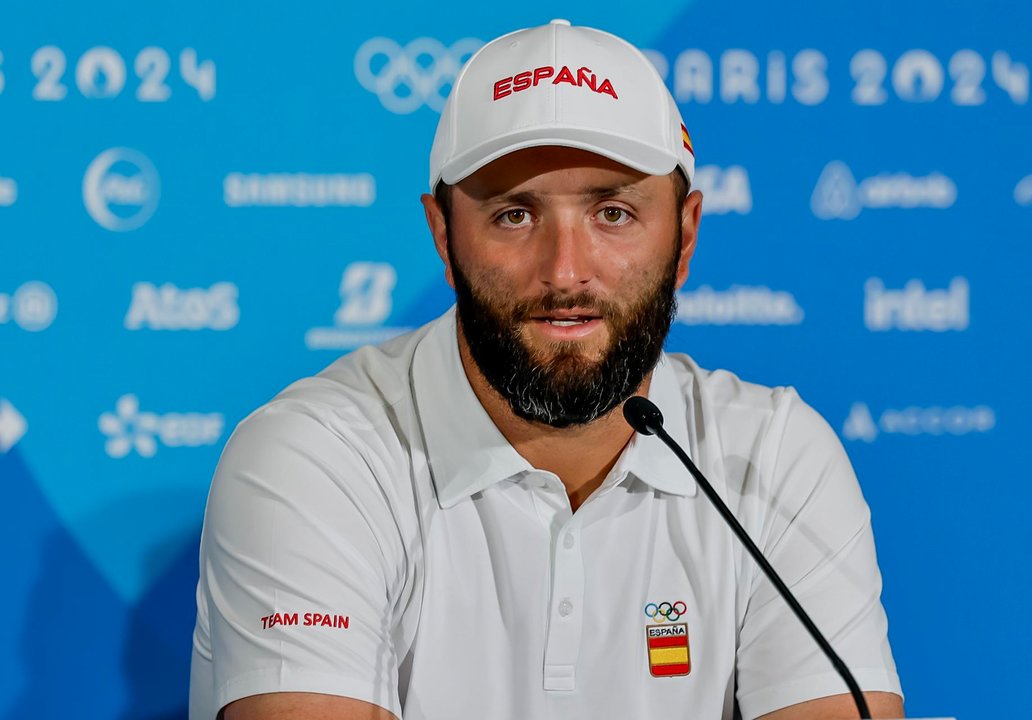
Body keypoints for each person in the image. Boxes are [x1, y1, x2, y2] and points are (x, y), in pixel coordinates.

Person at [189, 19, 905, 720]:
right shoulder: (318, 455)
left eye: (615, 213)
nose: (565, 271)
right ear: (443, 236)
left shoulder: (772, 457)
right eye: (513, 215)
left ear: (684, 234)